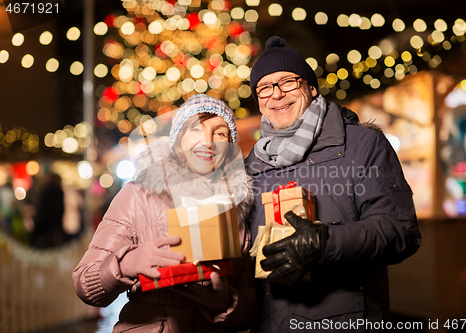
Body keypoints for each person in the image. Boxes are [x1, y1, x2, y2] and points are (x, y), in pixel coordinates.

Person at [245, 36, 421, 332]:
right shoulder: (253, 164)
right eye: (264, 87)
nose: (276, 94)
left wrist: (325, 243)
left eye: (288, 82)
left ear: (311, 88)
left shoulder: (362, 146)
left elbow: (400, 230)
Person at [73, 94, 256, 333]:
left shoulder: (237, 207)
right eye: (196, 130)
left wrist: (224, 302)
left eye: (220, 133)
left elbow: (252, 309)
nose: (208, 142)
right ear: (178, 140)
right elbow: (85, 285)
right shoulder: (139, 194)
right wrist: (126, 263)